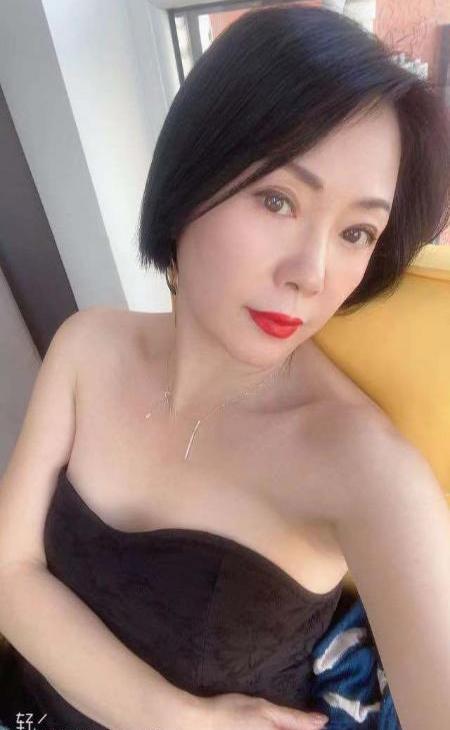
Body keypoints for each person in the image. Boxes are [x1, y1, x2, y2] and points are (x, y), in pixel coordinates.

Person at [0, 5, 449, 730]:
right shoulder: (88, 347)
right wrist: (174, 716)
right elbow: (9, 571)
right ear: (190, 177)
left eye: (357, 232)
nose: (312, 273)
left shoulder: (364, 467)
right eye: (277, 199)